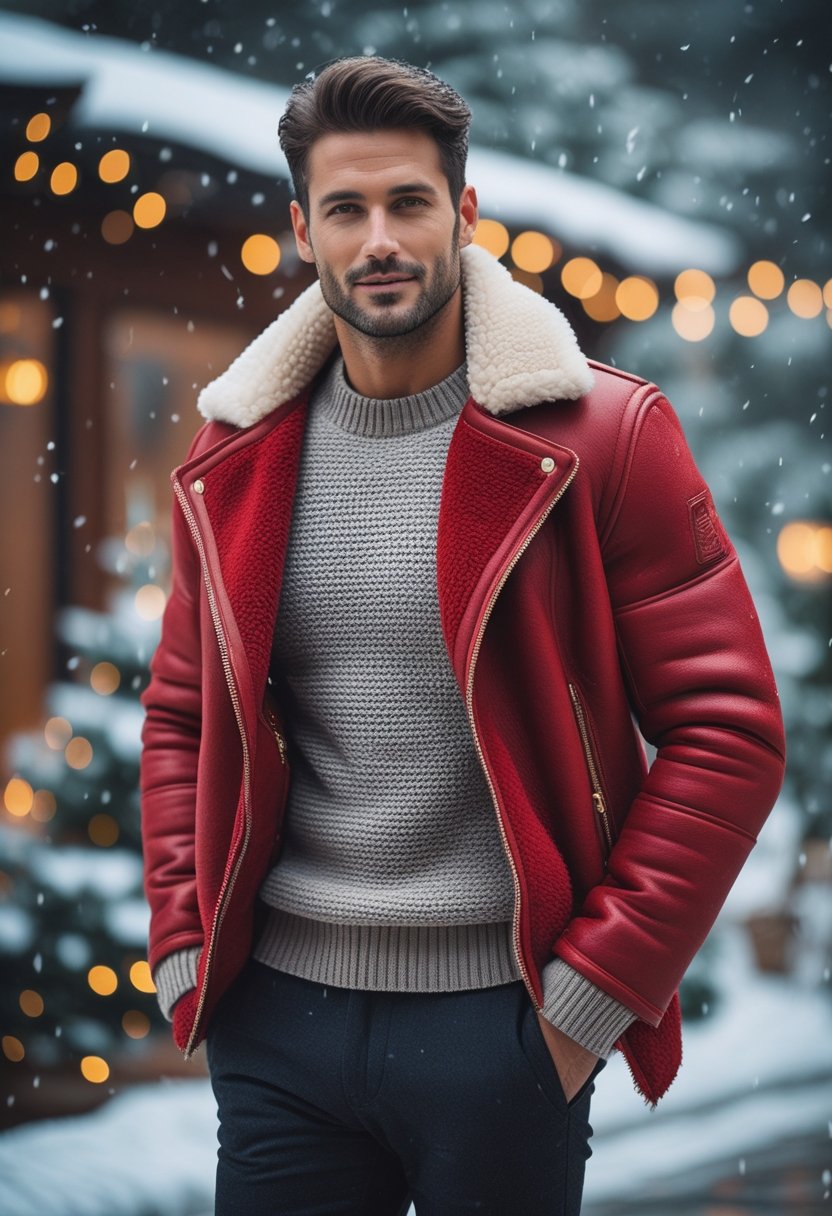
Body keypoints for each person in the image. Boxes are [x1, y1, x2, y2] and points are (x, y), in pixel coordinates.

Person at [139, 56, 785, 1216]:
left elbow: (726, 734)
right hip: (280, 1023)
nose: (378, 237)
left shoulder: (603, 438)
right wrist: (188, 942)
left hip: (504, 1025)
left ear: (465, 215)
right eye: (345, 208)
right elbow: (184, 715)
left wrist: (589, 996)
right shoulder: (230, 460)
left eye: (408, 203)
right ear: (302, 231)